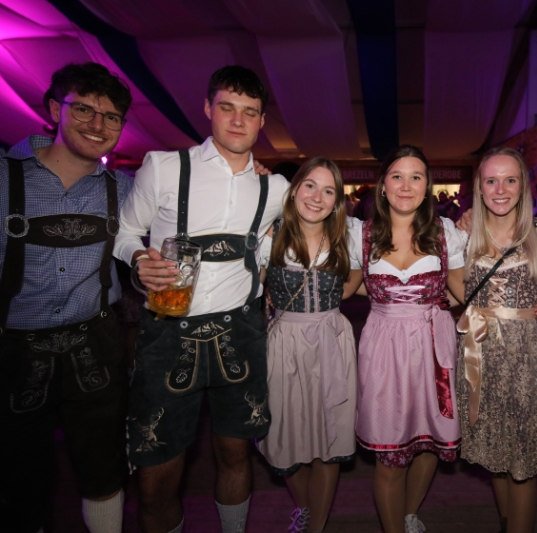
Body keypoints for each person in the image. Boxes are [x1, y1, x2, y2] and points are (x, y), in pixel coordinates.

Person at [113, 65, 289, 533]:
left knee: (235, 452)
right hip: (167, 332)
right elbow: (125, 231)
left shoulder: (275, 188)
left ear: (262, 121)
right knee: (158, 469)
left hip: (241, 331)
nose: (238, 120)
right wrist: (138, 258)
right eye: (227, 107)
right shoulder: (164, 167)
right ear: (208, 108)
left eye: (249, 112)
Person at [0, 62, 133, 533]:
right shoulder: (4, 178)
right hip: (14, 348)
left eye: (111, 116)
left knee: (103, 469)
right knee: (20, 478)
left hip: (95, 341)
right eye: (84, 110)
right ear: (56, 109)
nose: (98, 124)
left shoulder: (126, 188)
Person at [353, 145, 464, 533]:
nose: (406, 185)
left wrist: (523, 300)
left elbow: (466, 291)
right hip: (384, 347)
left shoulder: (446, 232)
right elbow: (343, 286)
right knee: (389, 454)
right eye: (397, 176)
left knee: (431, 440)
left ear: (427, 185)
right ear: (383, 185)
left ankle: (410, 513)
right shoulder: (360, 234)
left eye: (416, 177)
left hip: (433, 344)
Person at [255, 157, 363, 533]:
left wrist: (332, 299)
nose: (317, 197)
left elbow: (353, 281)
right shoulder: (269, 234)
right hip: (284, 342)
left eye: (328, 191)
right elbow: (251, 284)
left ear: (336, 202)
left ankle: (316, 525)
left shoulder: (350, 234)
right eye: (310, 186)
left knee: (331, 433)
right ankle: (303, 505)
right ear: (294, 189)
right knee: (282, 433)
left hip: (332, 342)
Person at [455, 147, 537, 533]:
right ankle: (506, 522)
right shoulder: (462, 235)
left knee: (523, 455)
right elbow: (449, 291)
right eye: (491, 181)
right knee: (495, 448)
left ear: (523, 186)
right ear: (479, 188)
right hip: (479, 351)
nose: (500, 189)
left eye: (510, 180)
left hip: (525, 355)